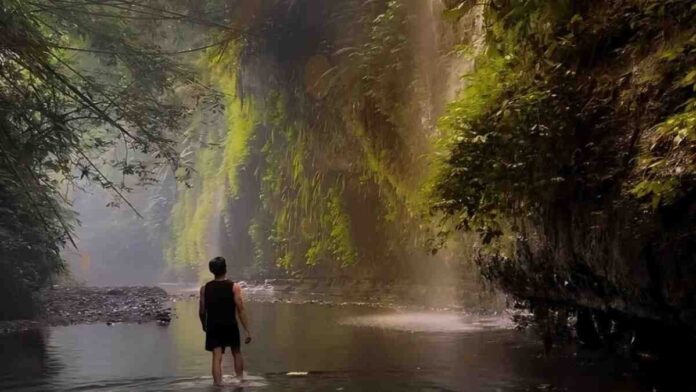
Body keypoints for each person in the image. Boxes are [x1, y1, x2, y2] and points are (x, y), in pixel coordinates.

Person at [199, 256, 252, 386]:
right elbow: (241, 309)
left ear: (212, 270)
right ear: (225, 269)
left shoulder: (205, 288)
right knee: (236, 352)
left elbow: (201, 310)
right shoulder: (234, 287)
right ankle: (239, 380)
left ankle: (218, 385)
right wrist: (247, 330)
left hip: (213, 325)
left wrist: (203, 324)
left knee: (217, 356)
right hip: (230, 324)